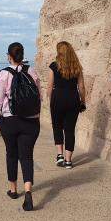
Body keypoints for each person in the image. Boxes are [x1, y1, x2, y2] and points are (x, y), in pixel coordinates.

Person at [0, 42, 41, 211]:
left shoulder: (4, 74)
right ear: (22, 55)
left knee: (11, 154)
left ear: (9, 56)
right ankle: (28, 190)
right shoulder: (32, 71)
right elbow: (39, 96)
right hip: (31, 121)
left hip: (9, 120)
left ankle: (13, 190)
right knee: (27, 156)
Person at [46, 41, 86, 169]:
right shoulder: (77, 67)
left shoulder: (54, 66)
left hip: (57, 99)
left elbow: (49, 86)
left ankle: (59, 155)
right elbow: (82, 87)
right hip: (73, 99)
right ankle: (68, 161)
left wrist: (50, 100)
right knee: (69, 130)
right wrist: (83, 101)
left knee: (57, 127)